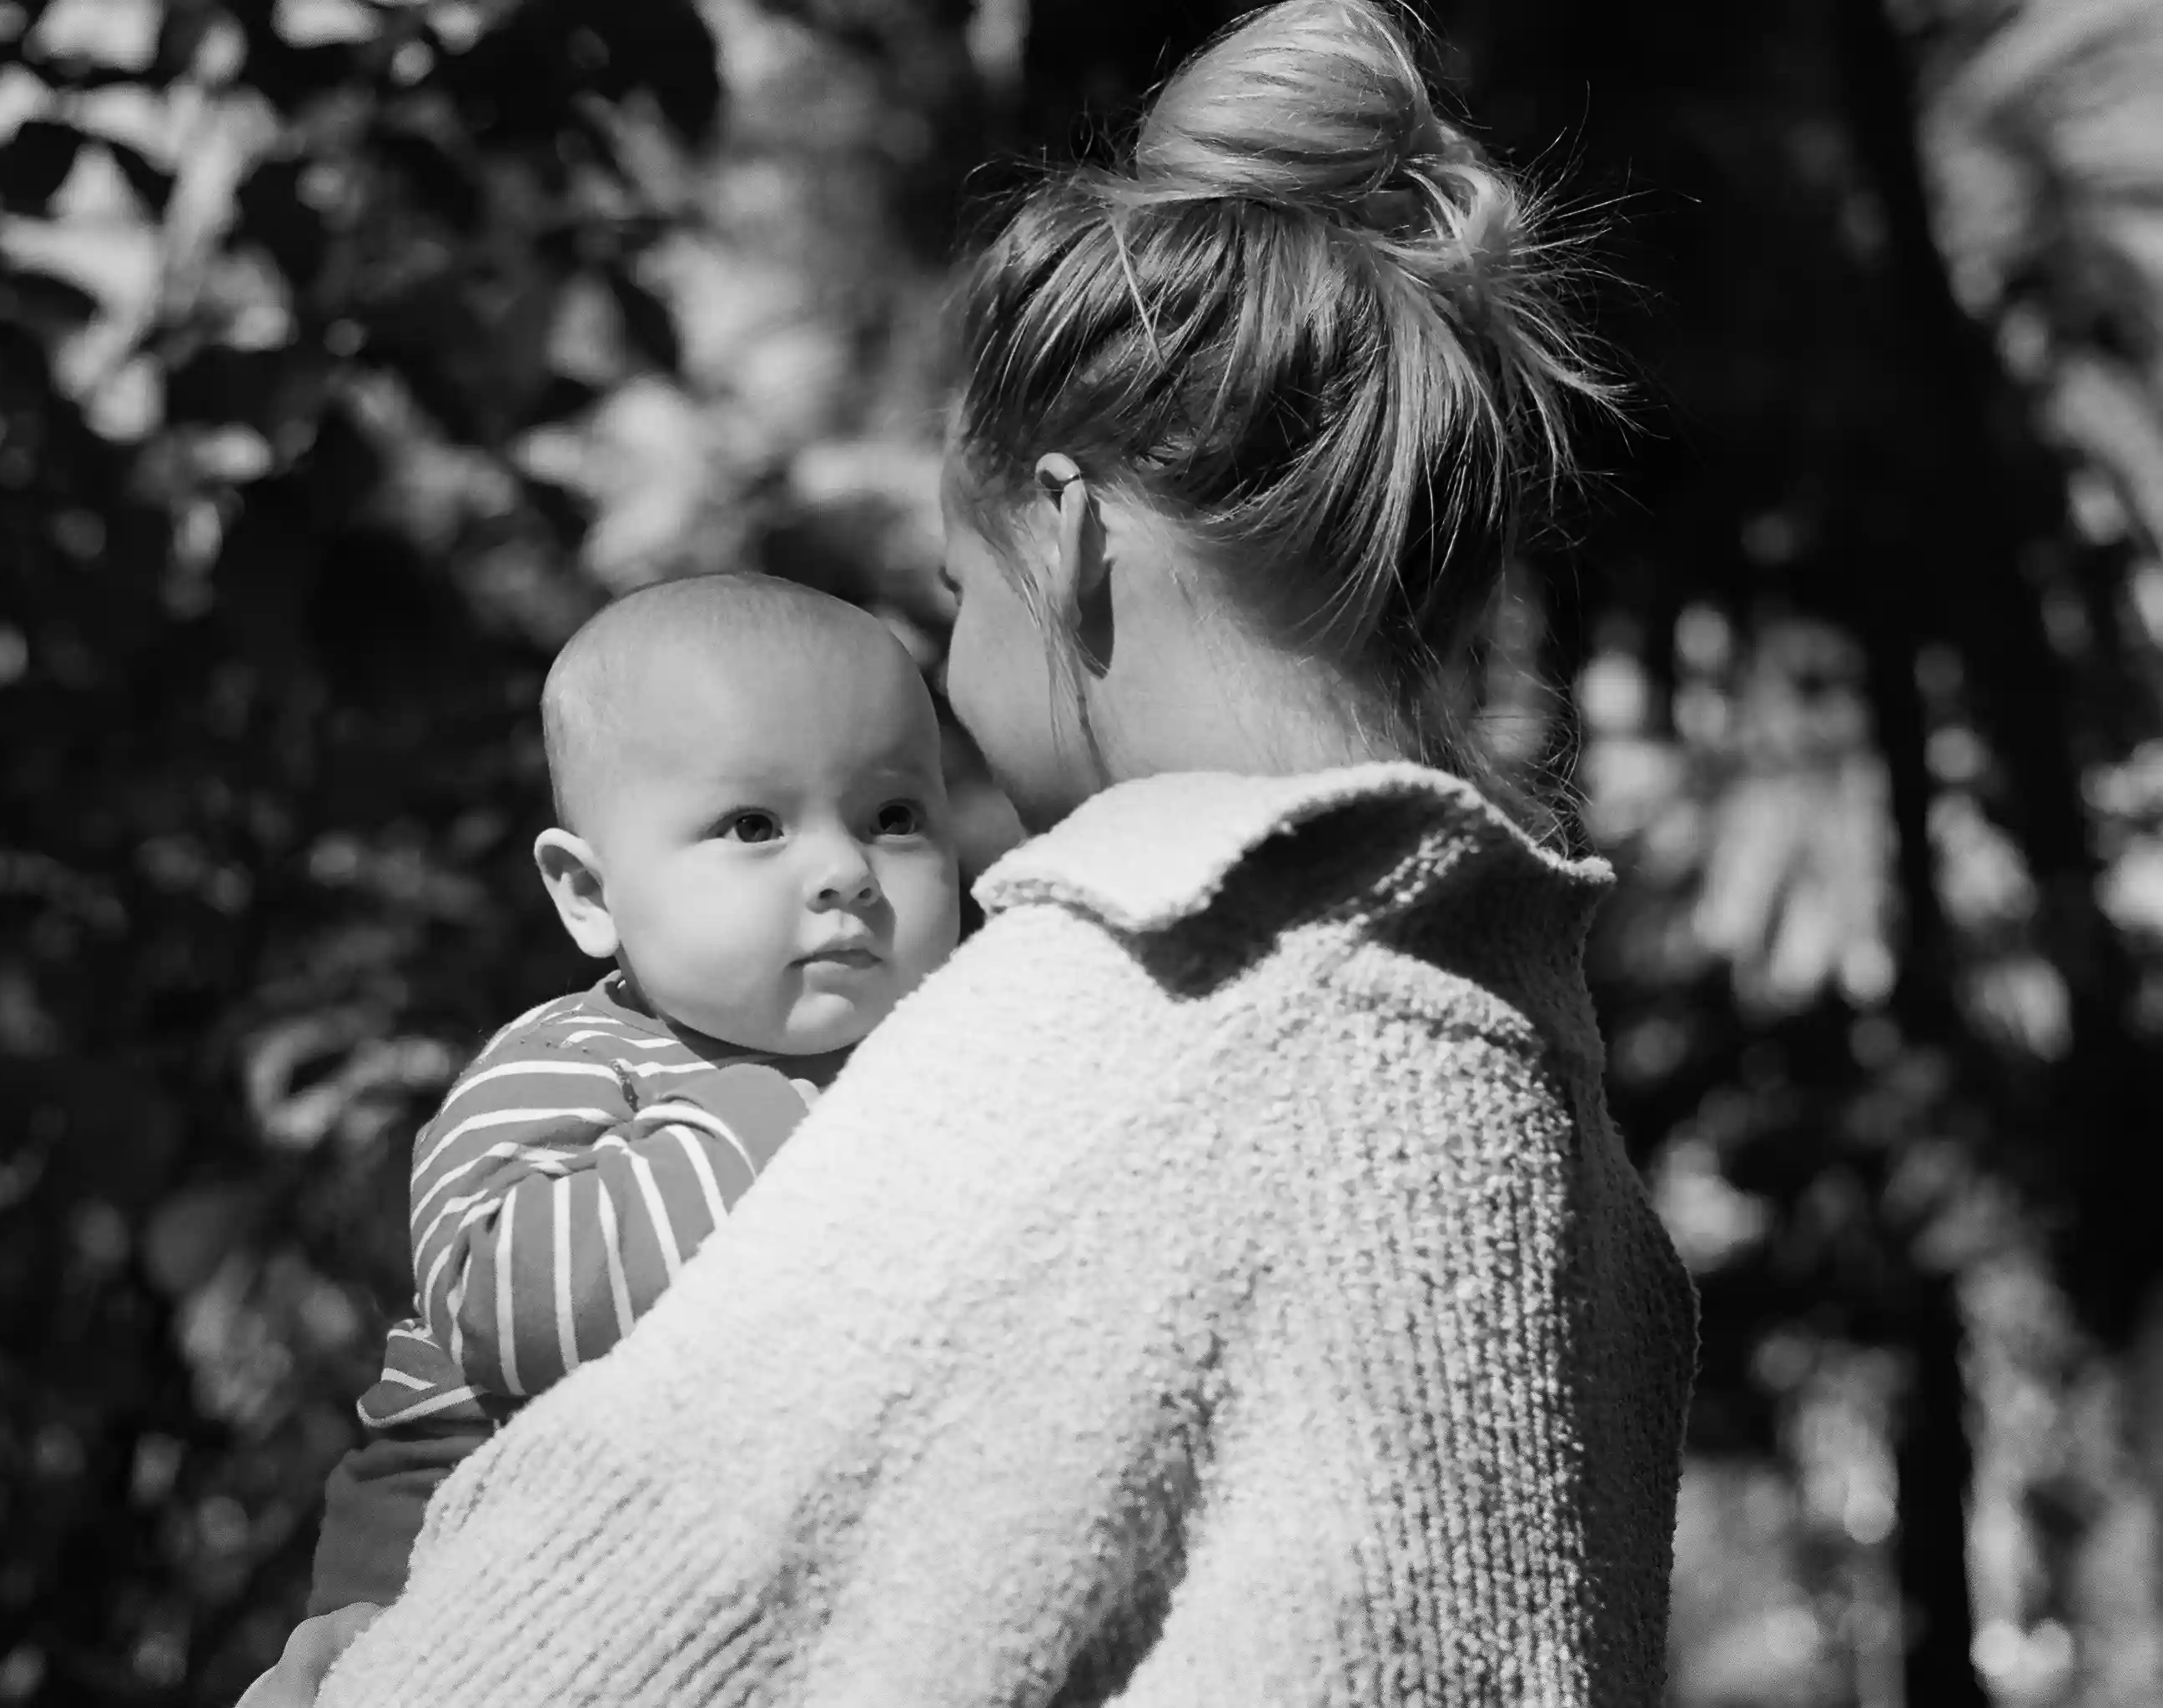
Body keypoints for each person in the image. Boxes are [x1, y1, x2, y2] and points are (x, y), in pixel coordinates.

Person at [251, 1, 1698, 1700]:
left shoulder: (1088, 1042)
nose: (946, 672)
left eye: (953, 590)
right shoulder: (1558, 1127)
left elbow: (560, 1651)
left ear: (1068, 539)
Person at [306, 574, 965, 1615]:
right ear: (589, 894)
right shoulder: (576, 1058)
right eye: (753, 824)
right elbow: (497, 1302)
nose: (846, 868)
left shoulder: (955, 1053)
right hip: (448, 1570)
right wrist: (776, 1119)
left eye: (893, 813)